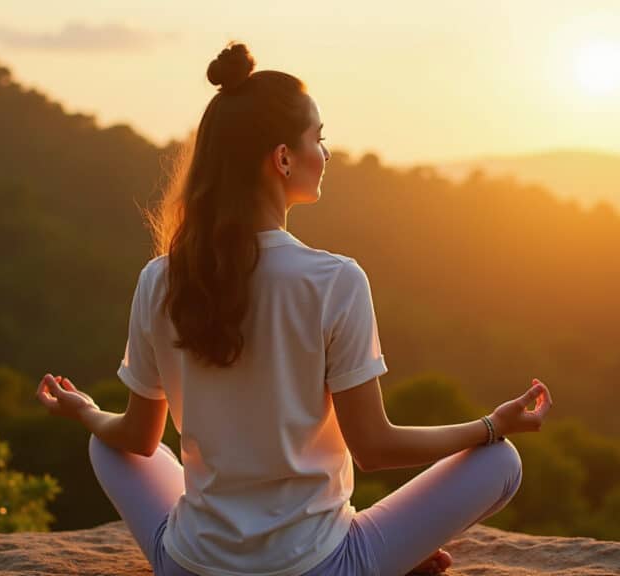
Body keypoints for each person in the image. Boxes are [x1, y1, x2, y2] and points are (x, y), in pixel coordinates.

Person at [35, 41, 554, 576]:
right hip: (319, 567)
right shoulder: (335, 280)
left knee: (106, 445)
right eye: (319, 139)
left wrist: (87, 412)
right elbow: (374, 448)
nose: (326, 153)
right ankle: (385, 560)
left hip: (191, 565)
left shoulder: (160, 278)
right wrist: (492, 425)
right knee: (501, 462)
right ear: (283, 158)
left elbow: (138, 439)